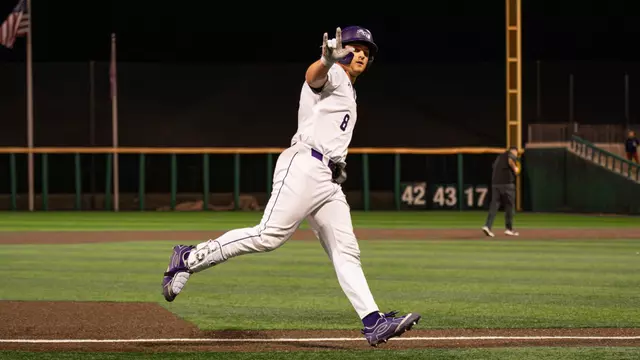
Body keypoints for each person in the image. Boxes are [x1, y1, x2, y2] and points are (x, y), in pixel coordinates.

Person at [161, 26, 421, 347]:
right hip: (304, 165)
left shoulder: (349, 89)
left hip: (328, 178)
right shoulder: (335, 75)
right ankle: (189, 258)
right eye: (355, 48)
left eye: (367, 52)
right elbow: (313, 77)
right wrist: (326, 59)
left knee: (346, 252)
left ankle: (373, 322)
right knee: (269, 236)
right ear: (341, 50)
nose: (362, 55)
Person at [482, 146, 520, 237]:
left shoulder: (499, 157)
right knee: (509, 206)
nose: (516, 155)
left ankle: (487, 226)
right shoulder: (510, 154)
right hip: (506, 185)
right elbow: (511, 160)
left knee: (494, 206)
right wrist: (515, 168)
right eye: (516, 153)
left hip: (495, 184)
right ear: (514, 151)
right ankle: (509, 229)